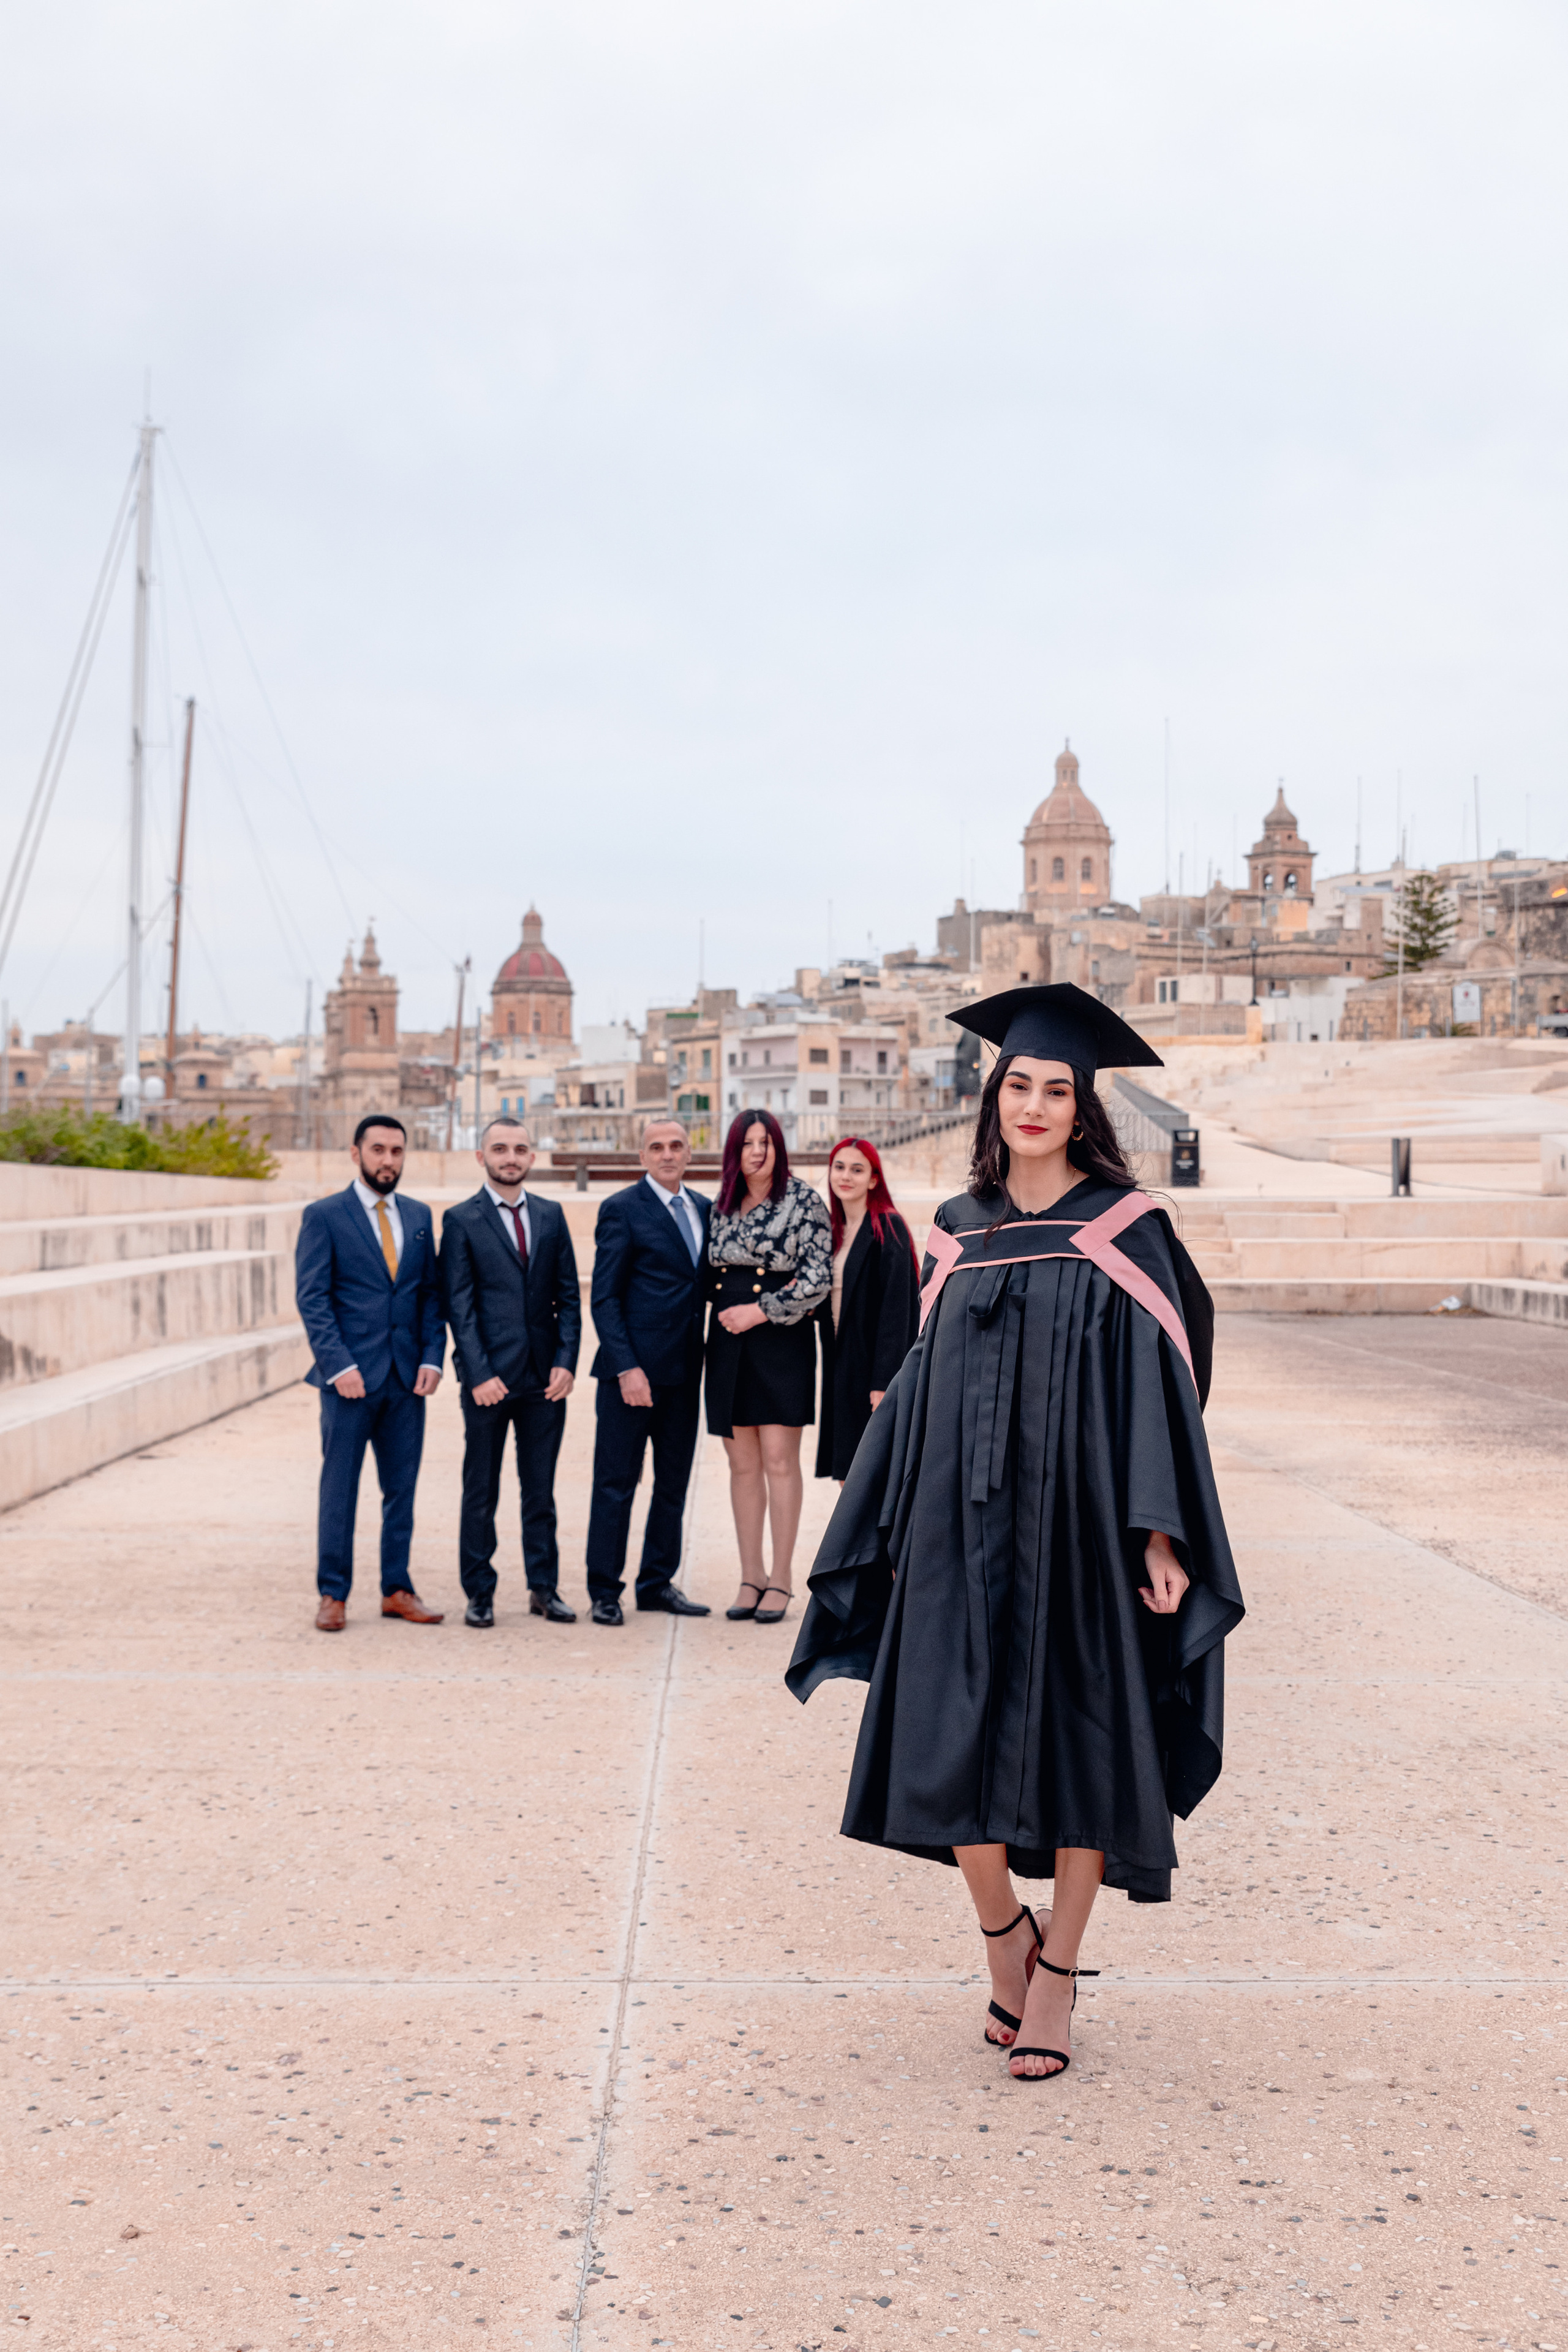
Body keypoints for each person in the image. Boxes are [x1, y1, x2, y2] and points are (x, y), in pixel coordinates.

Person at [787, 984, 1245, 2081]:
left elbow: (1161, 1390)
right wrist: (889, 1502)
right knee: (947, 1735)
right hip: (959, 1528)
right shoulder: (958, 1231)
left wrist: (1162, 1535)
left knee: (1089, 1743)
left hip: (1086, 1531)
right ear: (993, 1098)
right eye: (1019, 1086)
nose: (1034, 1106)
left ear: (1084, 1108)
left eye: (1057, 1090)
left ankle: (1058, 1975)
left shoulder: (1126, 1229)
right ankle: (1005, 1932)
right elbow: (921, 1379)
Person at [295, 1113, 447, 1632]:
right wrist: (338, 1365)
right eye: (378, 1150)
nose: (388, 1160)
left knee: (401, 1490)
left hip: (407, 1379)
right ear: (356, 1153)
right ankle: (333, 1593)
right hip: (350, 1381)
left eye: (396, 1151)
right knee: (339, 1489)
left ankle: (397, 1589)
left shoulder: (420, 1215)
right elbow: (313, 1299)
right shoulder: (324, 1216)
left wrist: (432, 1357)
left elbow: (430, 1295)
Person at [439, 1115, 581, 1628]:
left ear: (532, 1157)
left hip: (544, 1381)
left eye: (520, 1149)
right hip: (488, 1383)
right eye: (500, 1149)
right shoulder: (461, 1219)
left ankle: (544, 1588)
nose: (511, 1158)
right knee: (481, 1492)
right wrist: (477, 1373)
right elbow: (458, 1305)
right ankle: (479, 1592)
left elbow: (569, 1296)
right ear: (482, 1157)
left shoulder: (550, 1215)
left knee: (540, 1491)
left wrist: (566, 1362)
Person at [706, 1108, 832, 1626]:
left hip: (781, 1341)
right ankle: (750, 1575)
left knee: (780, 1461)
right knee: (741, 1465)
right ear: (733, 1151)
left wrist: (759, 1311)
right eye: (748, 1143)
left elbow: (818, 1278)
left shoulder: (803, 1200)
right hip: (727, 1345)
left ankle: (780, 1578)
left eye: (767, 1142)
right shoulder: (721, 1203)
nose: (758, 1152)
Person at [584, 1118, 712, 1627]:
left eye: (676, 1146)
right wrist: (627, 1368)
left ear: (689, 1154)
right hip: (631, 1377)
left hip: (684, 1373)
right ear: (642, 1157)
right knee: (615, 1484)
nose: (667, 1154)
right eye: (656, 1147)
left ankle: (656, 1583)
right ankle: (604, 1590)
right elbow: (605, 1298)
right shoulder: (621, 1209)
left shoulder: (705, 1209)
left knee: (672, 1484)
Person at [815, 1136, 919, 1483]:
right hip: (841, 1363)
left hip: (872, 1371)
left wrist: (883, 1382)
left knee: (869, 1478)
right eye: (839, 1167)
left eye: (857, 1170)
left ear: (874, 1180)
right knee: (849, 1476)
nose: (846, 1176)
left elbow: (898, 1310)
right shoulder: (835, 1231)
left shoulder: (888, 1227)